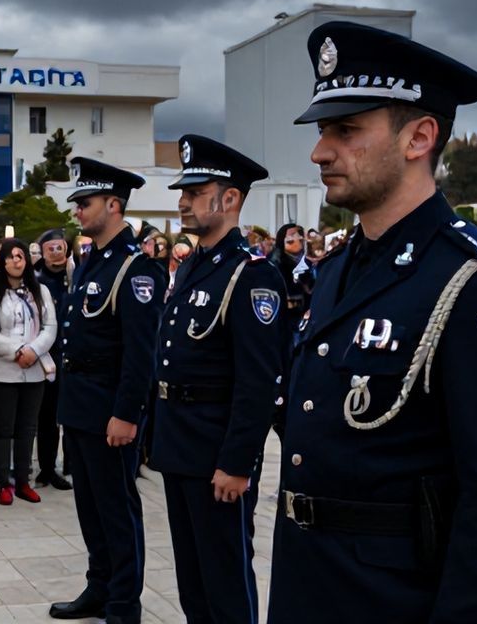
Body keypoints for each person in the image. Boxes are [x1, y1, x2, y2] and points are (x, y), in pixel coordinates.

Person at [269, 21, 477, 622]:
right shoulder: (340, 266)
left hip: (393, 601)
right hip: (308, 582)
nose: (321, 151)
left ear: (420, 136)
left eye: (346, 130)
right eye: (324, 130)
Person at [149, 135, 285, 624]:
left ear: (229, 198)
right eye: (183, 191)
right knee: (193, 580)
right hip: (180, 445)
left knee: (226, 579)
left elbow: (258, 380)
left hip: (215, 454)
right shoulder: (195, 266)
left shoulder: (251, 274)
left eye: (194, 190)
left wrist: (237, 462)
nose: (182, 200)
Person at [49, 159, 167, 624]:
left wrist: (127, 414)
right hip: (79, 402)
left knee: (117, 509)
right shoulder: (91, 261)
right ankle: (99, 587)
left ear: (114, 205)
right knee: (90, 507)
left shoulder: (137, 269)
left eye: (86, 202)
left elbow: (141, 354)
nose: (78, 210)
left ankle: (123, 603)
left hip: (109, 408)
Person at [0, 238, 58, 505]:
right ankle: (3, 482)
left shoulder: (41, 291)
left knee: (27, 428)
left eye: (21, 256)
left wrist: (33, 351)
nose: (16, 261)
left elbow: (50, 327)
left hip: (34, 370)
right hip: (2, 371)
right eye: (11, 256)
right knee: (3, 428)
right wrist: (17, 351)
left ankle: (23, 480)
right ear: (2, 261)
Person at [33, 229, 73, 490]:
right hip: (46, 354)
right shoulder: (36, 280)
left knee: (69, 417)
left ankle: (69, 465)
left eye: (60, 248)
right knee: (46, 417)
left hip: (73, 355)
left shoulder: (77, 274)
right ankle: (46, 468)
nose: (56, 253)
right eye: (51, 248)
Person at [271, 222, 316, 337]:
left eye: (300, 237)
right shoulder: (277, 263)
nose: (298, 238)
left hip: (304, 315)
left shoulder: (306, 261)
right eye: (291, 238)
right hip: (286, 318)